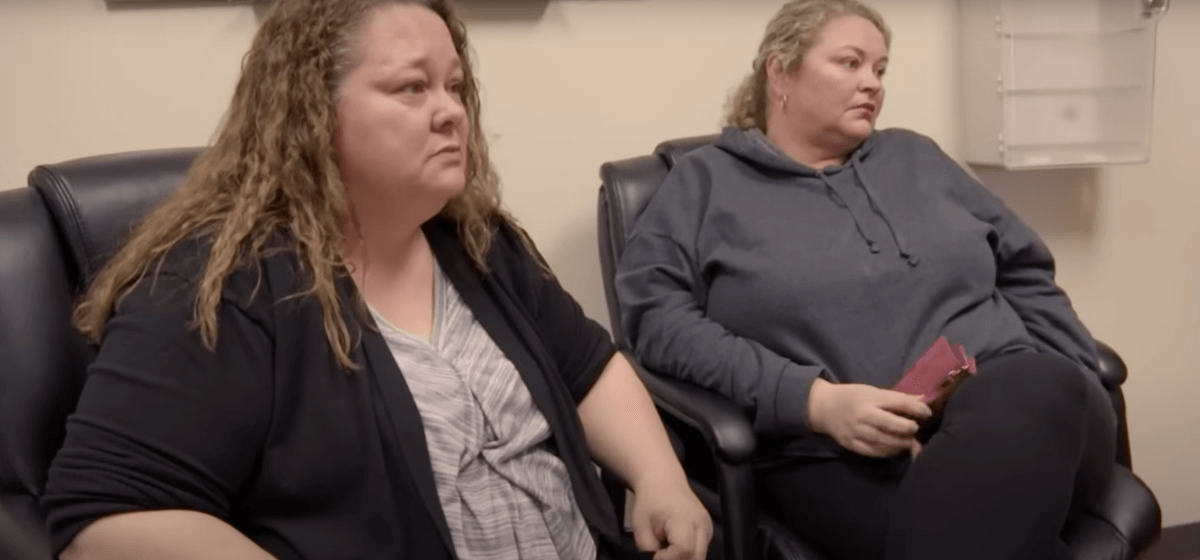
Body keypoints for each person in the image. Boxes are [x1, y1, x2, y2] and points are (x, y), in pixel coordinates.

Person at [41, 1, 712, 559]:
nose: (452, 111)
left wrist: (661, 477)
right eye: (411, 88)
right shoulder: (218, 285)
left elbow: (588, 367)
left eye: (454, 87)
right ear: (311, 114)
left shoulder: (479, 241)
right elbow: (107, 520)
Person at [614, 1, 1116, 559]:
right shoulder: (702, 185)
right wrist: (811, 401)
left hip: (1027, 412)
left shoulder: (916, 157)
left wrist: (1071, 374)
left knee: (1035, 388)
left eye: (880, 69)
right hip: (837, 456)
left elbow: (1024, 267)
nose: (871, 84)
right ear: (779, 71)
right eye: (850, 63)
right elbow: (655, 322)